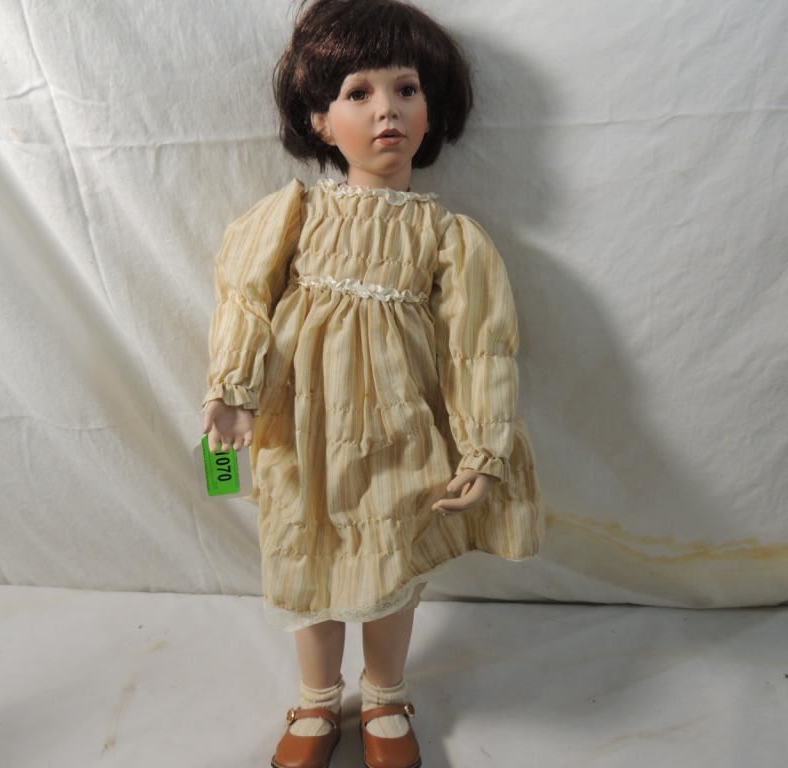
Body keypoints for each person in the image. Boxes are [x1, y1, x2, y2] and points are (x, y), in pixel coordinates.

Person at [200, 1, 544, 765]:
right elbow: (245, 300)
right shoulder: (293, 214)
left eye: (405, 90)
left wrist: (483, 444)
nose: (386, 109)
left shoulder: (448, 237)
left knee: (393, 555)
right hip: (303, 422)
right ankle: (318, 700)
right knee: (304, 548)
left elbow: (478, 347)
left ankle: (385, 693)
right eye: (358, 92)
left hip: (397, 424)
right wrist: (231, 390)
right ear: (320, 121)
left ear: (431, 112)